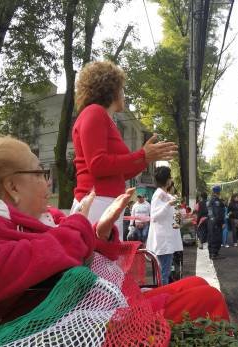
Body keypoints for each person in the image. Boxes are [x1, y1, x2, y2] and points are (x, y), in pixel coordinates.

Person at [0, 136, 229, 323]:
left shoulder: (47, 218)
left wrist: (101, 232)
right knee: (207, 298)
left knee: (197, 285)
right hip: (76, 329)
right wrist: (79, 225)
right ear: (12, 187)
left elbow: (72, 249)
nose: (48, 183)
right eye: (39, 173)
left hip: (92, 312)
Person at [71, 60, 177, 226]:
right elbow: (97, 164)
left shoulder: (105, 119)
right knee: (98, 253)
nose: (124, 94)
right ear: (112, 90)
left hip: (106, 203)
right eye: (122, 89)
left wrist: (147, 158)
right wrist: (142, 154)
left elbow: (122, 172)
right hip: (96, 202)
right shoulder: (94, 112)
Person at [146, 167, 183, 285]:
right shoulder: (159, 195)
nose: (171, 180)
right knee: (164, 273)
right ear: (167, 180)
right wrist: (169, 204)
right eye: (170, 177)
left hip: (167, 239)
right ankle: (163, 298)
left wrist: (176, 207)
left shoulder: (164, 195)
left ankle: (163, 296)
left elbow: (174, 215)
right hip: (164, 240)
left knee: (164, 272)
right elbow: (155, 216)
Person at [207, 186, 226, 259]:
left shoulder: (212, 200)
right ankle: (213, 254)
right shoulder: (215, 201)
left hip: (213, 222)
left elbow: (220, 212)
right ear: (218, 192)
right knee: (215, 238)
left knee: (213, 237)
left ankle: (213, 253)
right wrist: (220, 222)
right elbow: (217, 213)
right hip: (215, 222)